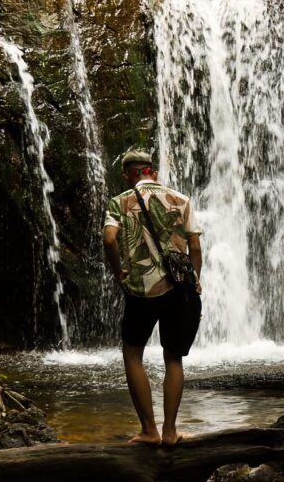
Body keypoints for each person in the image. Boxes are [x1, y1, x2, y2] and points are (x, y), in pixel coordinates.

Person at [102, 149, 202, 446]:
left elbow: (109, 239)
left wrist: (119, 270)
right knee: (173, 358)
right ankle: (170, 432)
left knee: (133, 354)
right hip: (179, 290)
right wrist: (194, 279)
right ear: (153, 172)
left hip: (142, 290)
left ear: (128, 174)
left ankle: (149, 431)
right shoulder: (181, 200)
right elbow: (194, 247)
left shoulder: (120, 202)